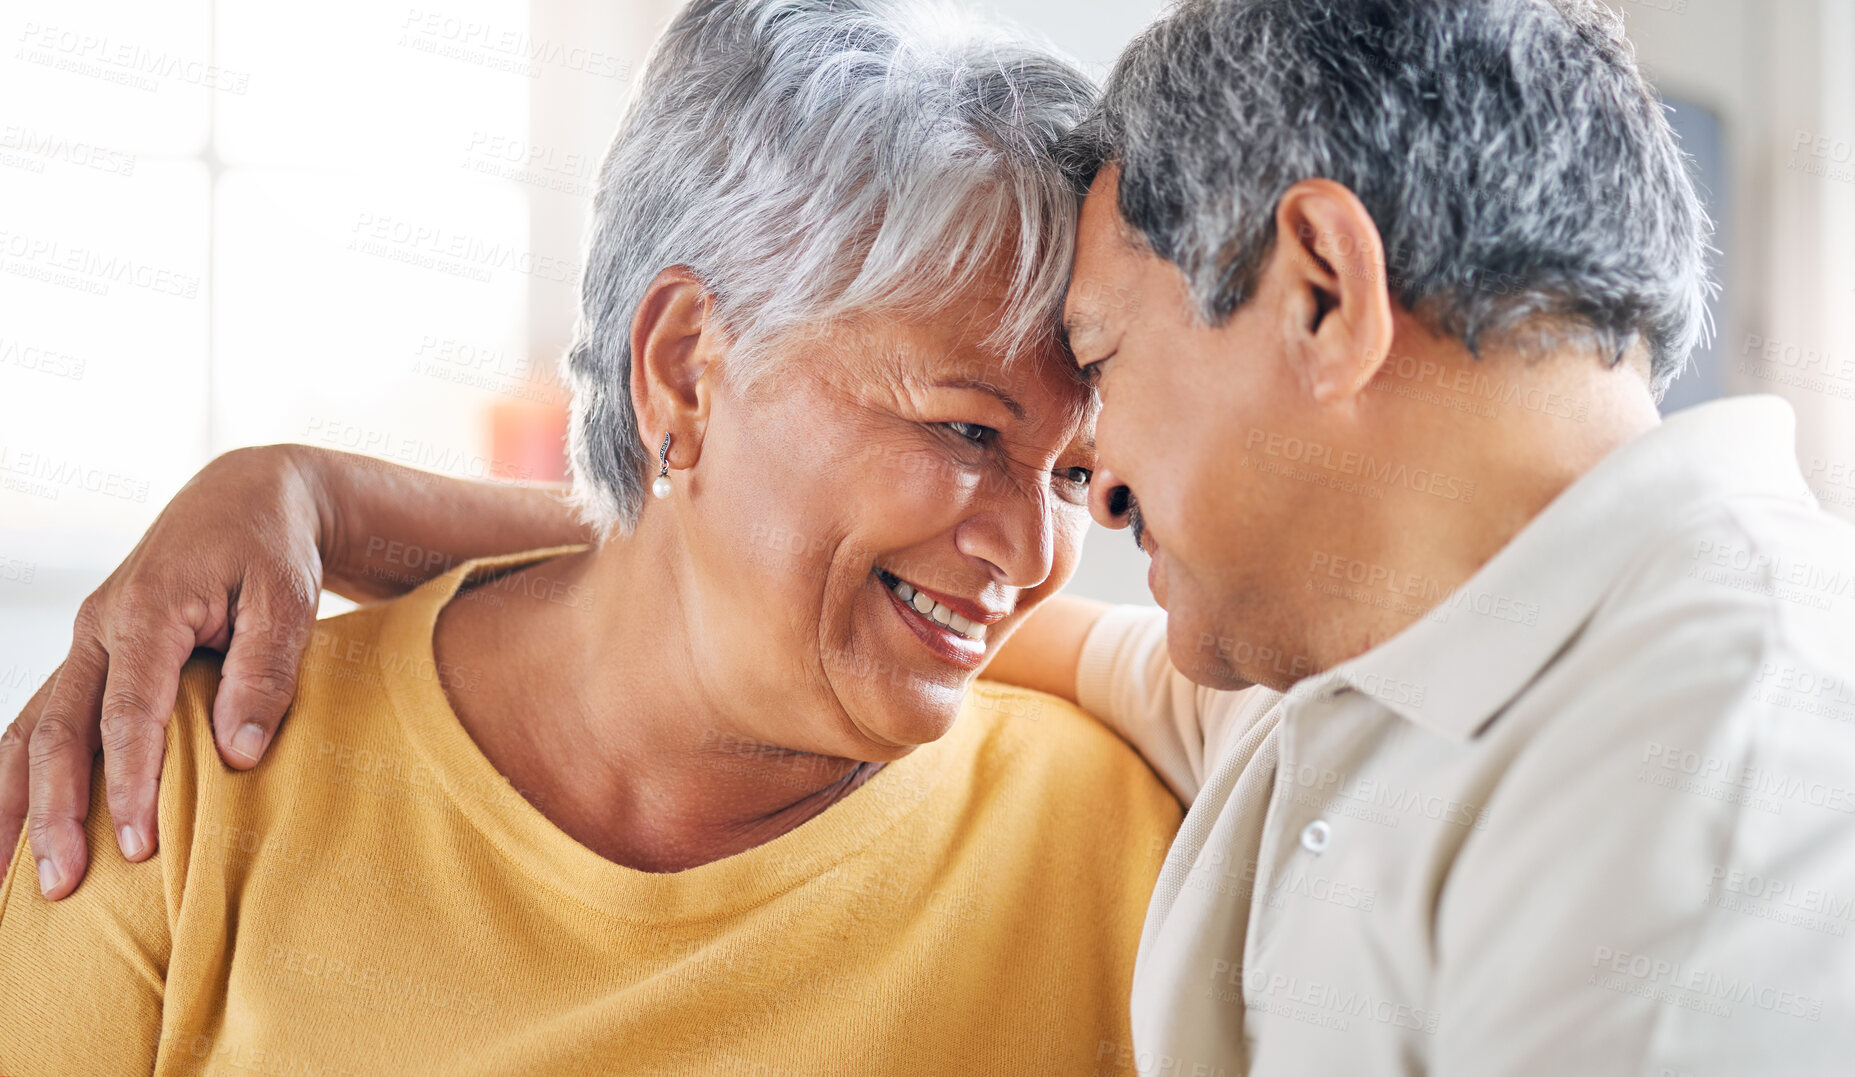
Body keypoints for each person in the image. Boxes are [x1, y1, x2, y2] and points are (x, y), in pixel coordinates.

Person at [13, 0, 1855, 1074]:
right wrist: (318, 496)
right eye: (982, 433)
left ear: (1322, 292)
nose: (1081, 518)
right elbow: (737, 575)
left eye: (1078, 430)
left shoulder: (1696, 778)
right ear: (688, 365)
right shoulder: (1383, 675)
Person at [0, 2, 1186, 1074]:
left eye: (1076, 476)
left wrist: (319, 491)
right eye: (969, 432)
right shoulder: (183, 781)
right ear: (683, 369)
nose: (1034, 556)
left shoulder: (1126, 861)